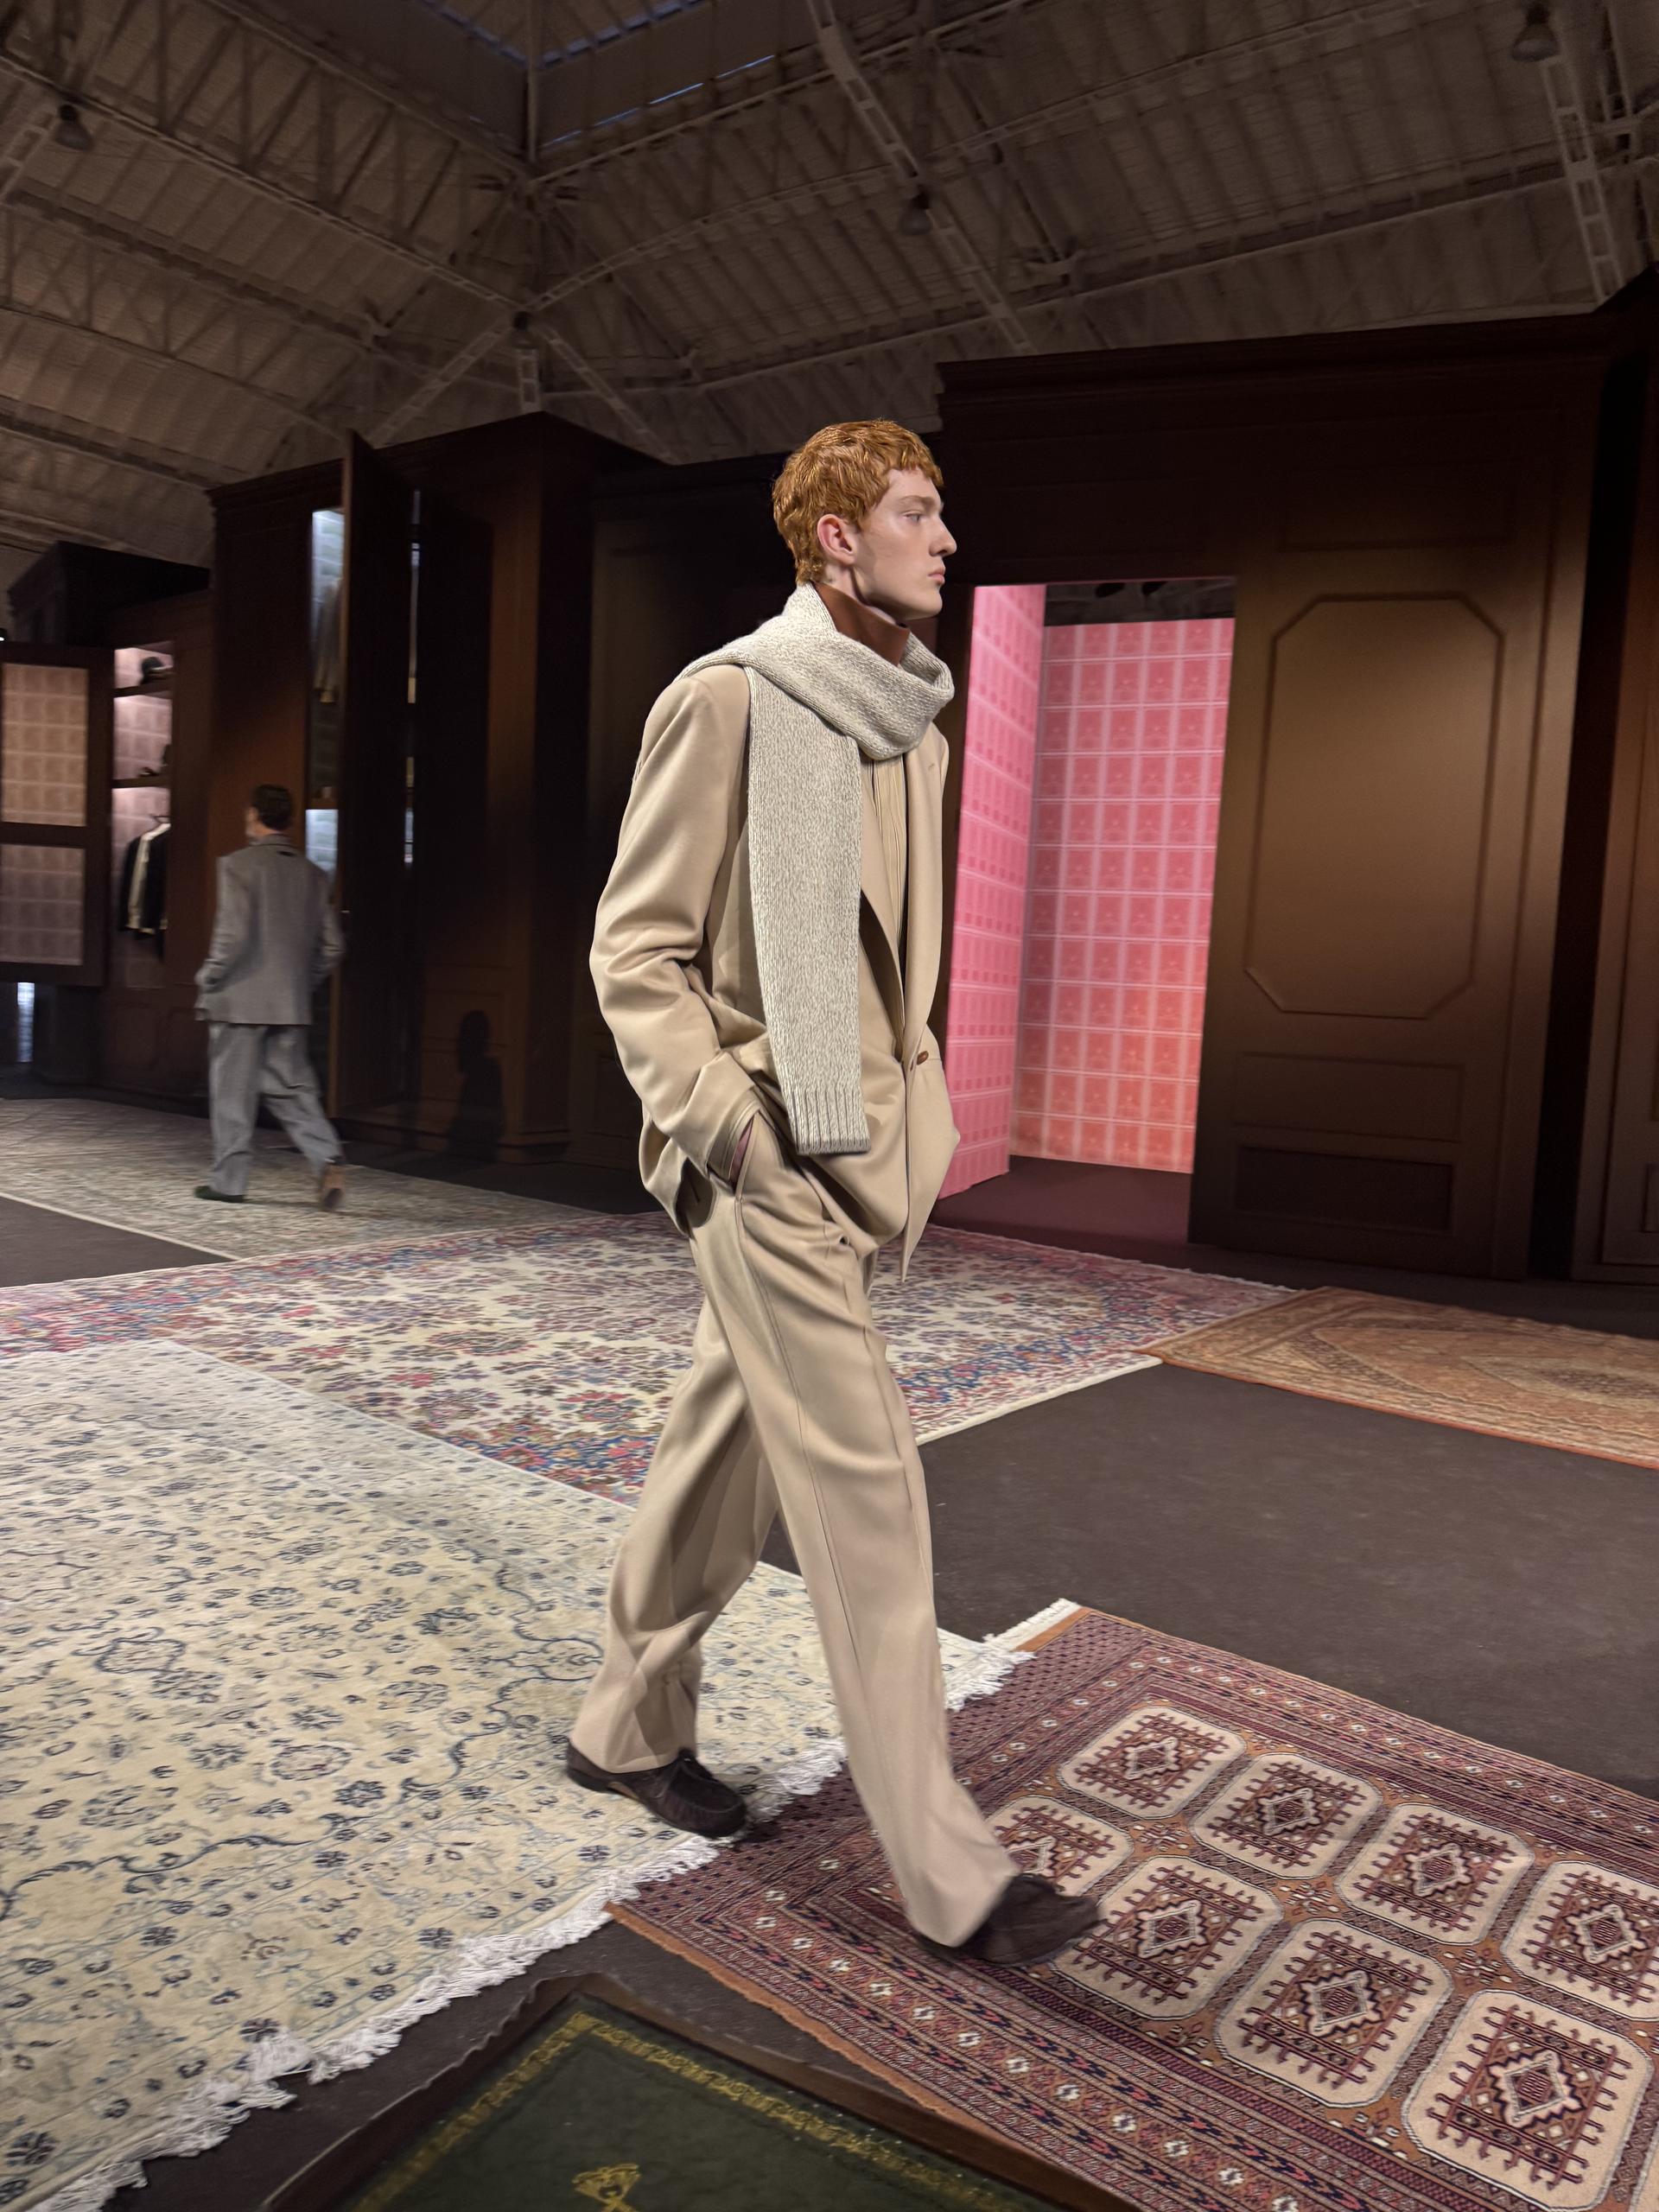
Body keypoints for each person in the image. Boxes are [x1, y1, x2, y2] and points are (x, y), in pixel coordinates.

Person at [566, 421, 1099, 1967]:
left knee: (719, 1450)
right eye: (920, 514)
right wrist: (734, 1136)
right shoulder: (730, 698)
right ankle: (951, 1870)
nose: (947, 540)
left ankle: (624, 1722)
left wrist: (907, 1132)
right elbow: (635, 950)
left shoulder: (914, 723)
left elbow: (901, 976)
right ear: (838, 538)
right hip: (765, 1161)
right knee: (868, 1490)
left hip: (869, 1162)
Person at [194, 783, 346, 1211]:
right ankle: (327, 1159)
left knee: (232, 1096)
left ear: (253, 814)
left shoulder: (237, 866)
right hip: (290, 1002)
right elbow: (333, 947)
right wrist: (301, 983)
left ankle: (229, 1183)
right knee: (293, 1089)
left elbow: (232, 937)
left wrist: (208, 977)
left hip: (239, 1001)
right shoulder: (313, 874)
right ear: (289, 820)